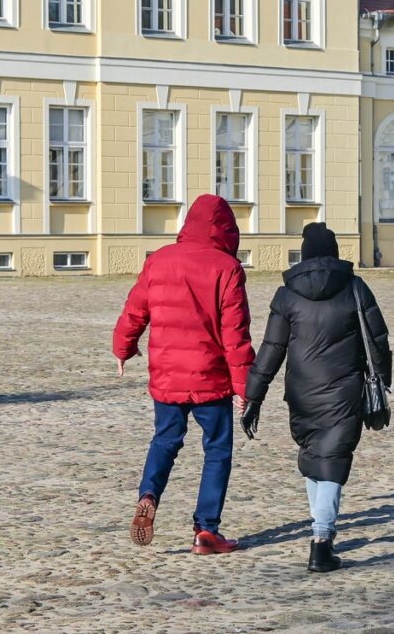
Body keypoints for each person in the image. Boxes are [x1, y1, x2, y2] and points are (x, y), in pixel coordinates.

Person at [240, 222, 392, 572]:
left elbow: (271, 350)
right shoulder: (355, 287)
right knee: (330, 460)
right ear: (336, 253)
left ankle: (321, 532)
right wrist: (382, 383)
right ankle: (321, 541)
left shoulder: (287, 294)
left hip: (301, 394)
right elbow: (378, 338)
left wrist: (254, 396)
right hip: (345, 391)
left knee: (316, 458)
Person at [113, 194, 254, 555]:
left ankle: (148, 494)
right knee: (217, 451)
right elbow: (235, 334)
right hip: (212, 378)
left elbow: (135, 310)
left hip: (167, 375)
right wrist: (245, 387)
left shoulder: (159, 261)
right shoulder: (226, 268)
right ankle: (206, 531)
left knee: (165, 440)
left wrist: (123, 348)